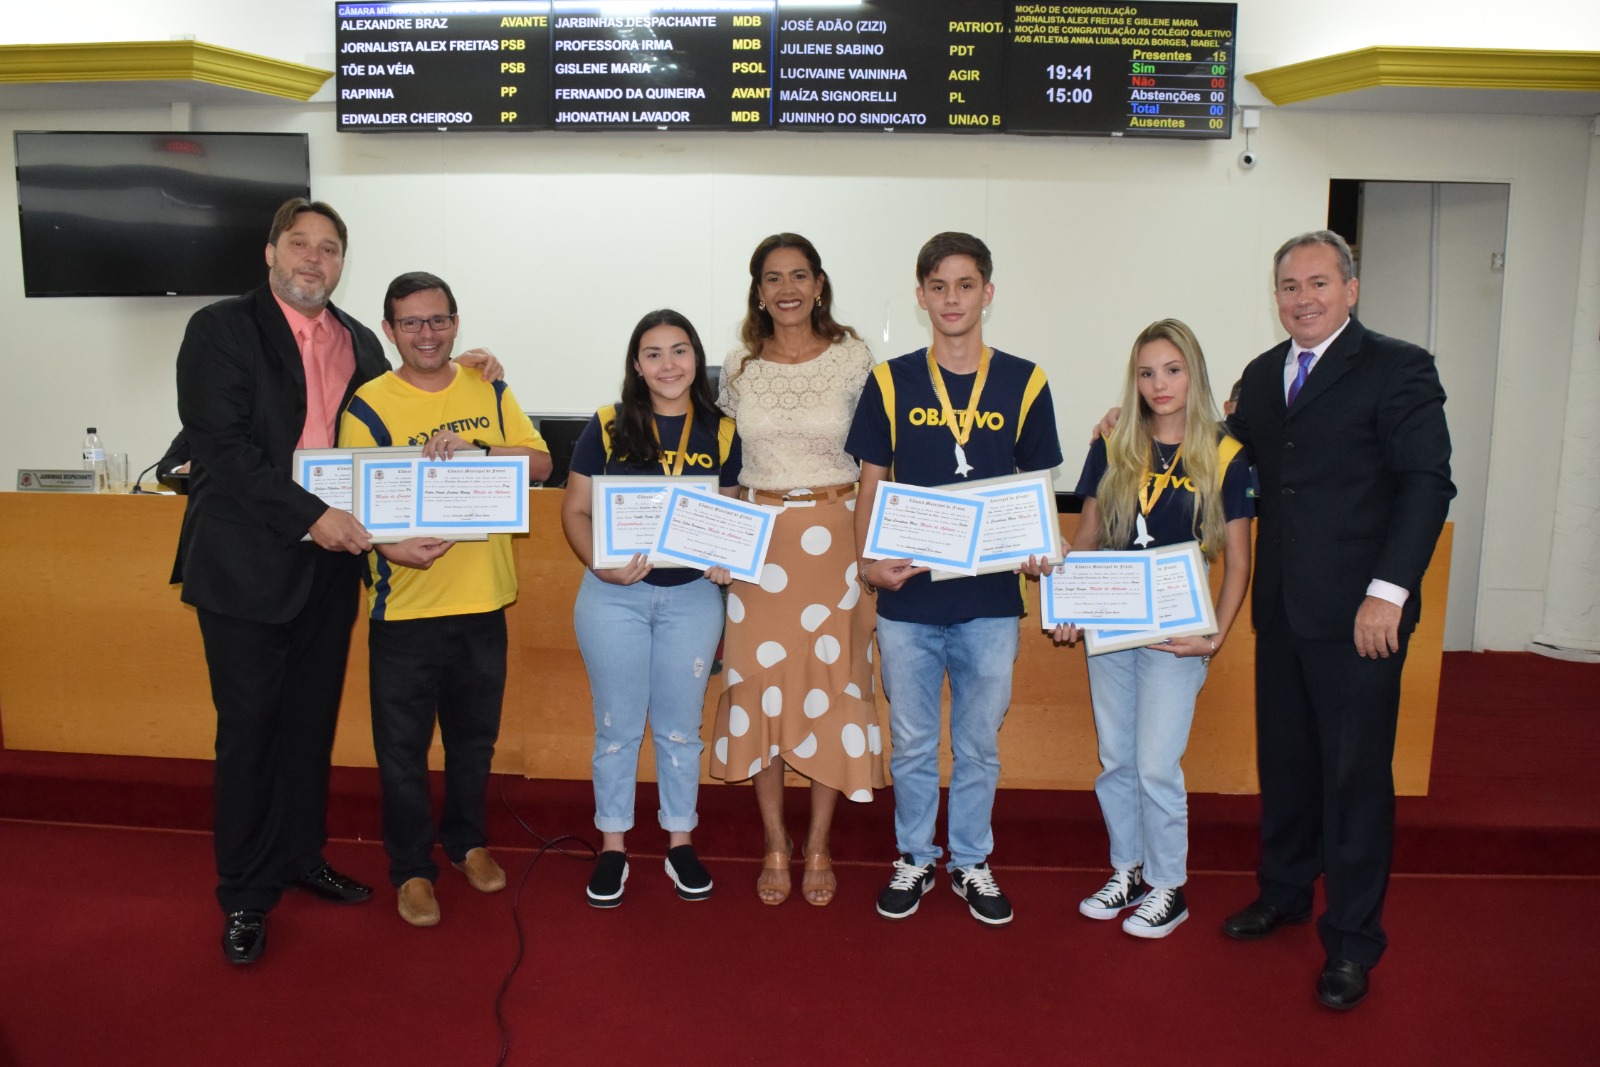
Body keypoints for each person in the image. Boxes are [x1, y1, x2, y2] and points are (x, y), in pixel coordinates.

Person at [172, 199, 498, 964]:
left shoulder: (357, 339)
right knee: (250, 732)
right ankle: (246, 893)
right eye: (300, 244)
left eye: (329, 249)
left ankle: (298, 856)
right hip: (247, 566)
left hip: (330, 565)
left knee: (311, 726)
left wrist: (473, 370)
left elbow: (396, 423)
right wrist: (313, 513)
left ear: (341, 262)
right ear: (270, 252)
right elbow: (221, 447)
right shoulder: (220, 329)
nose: (314, 259)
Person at [1222, 230, 1453, 1009]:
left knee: (1354, 779)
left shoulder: (1399, 367)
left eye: (1318, 283)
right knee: (1287, 765)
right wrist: (1126, 432)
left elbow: (1426, 485)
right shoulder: (1261, 375)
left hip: (1362, 615)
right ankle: (1285, 891)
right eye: (1289, 286)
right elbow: (1224, 454)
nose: (1303, 298)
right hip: (1283, 608)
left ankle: (1352, 941)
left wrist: (1388, 590)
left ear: (1350, 289)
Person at [847, 232, 1062, 926]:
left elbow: (1038, 488)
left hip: (992, 600)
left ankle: (970, 859)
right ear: (920, 297)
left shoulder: (1026, 380)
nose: (951, 299)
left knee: (977, 743)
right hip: (908, 598)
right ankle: (915, 855)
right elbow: (870, 485)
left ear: (987, 294)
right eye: (937, 286)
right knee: (911, 741)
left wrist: (1039, 547)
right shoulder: (889, 380)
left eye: (965, 285)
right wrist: (866, 564)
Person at [337, 272, 551, 927]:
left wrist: (480, 448)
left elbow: (541, 464)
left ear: (456, 322)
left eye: (437, 320)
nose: (426, 334)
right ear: (389, 331)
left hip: (484, 601)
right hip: (405, 610)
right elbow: (349, 502)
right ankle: (411, 869)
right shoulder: (367, 405)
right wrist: (388, 548)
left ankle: (466, 841)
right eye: (411, 323)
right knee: (401, 752)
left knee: (472, 743)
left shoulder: (487, 385)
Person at [1058, 319, 1253, 939]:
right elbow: (1087, 535)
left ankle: (1171, 887)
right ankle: (1127, 870)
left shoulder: (1225, 451)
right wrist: (1066, 602)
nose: (1159, 384)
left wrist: (1214, 639)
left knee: (1156, 764)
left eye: (1172, 370)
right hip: (1111, 625)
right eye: (1146, 373)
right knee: (1116, 757)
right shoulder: (1114, 444)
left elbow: (1239, 563)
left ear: (1193, 373)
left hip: (1178, 633)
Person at [708, 233, 885, 907]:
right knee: (761, 689)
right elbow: (726, 463)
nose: (787, 288)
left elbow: (879, 457)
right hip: (759, 545)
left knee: (832, 688)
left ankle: (818, 844)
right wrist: (721, 539)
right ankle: (775, 842)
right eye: (773, 277)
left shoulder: (855, 358)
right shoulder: (740, 365)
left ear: (819, 284)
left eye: (799, 276)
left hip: (837, 540)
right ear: (758, 290)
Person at [561, 309, 738, 908]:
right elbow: (575, 511)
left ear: (697, 359)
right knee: (616, 727)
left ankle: (679, 842)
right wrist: (599, 564)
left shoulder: (724, 430)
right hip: (614, 596)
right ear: (637, 365)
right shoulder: (608, 425)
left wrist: (724, 557)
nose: (669, 364)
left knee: (680, 729)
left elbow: (731, 515)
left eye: (680, 350)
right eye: (655, 353)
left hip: (692, 598)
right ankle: (613, 845)